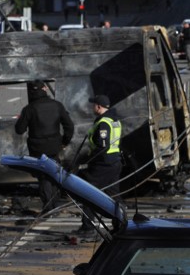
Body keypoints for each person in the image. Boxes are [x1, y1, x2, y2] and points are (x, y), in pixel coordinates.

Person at [14, 80, 75, 211]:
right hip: (54, 147)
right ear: (45, 89)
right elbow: (69, 126)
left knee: (43, 177)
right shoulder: (57, 105)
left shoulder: (29, 109)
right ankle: (54, 203)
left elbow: (19, 130)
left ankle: (48, 206)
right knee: (54, 173)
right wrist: (64, 141)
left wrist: (22, 118)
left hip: (37, 148)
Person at [80, 94, 122, 229]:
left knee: (88, 193)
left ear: (98, 106)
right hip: (114, 161)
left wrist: (89, 159)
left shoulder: (104, 122)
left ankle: (88, 226)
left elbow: (103, 146)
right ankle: (120, 223)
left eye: (94, 105)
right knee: (114, 196)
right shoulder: (115, 120)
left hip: (102, 164)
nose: (92, 107)